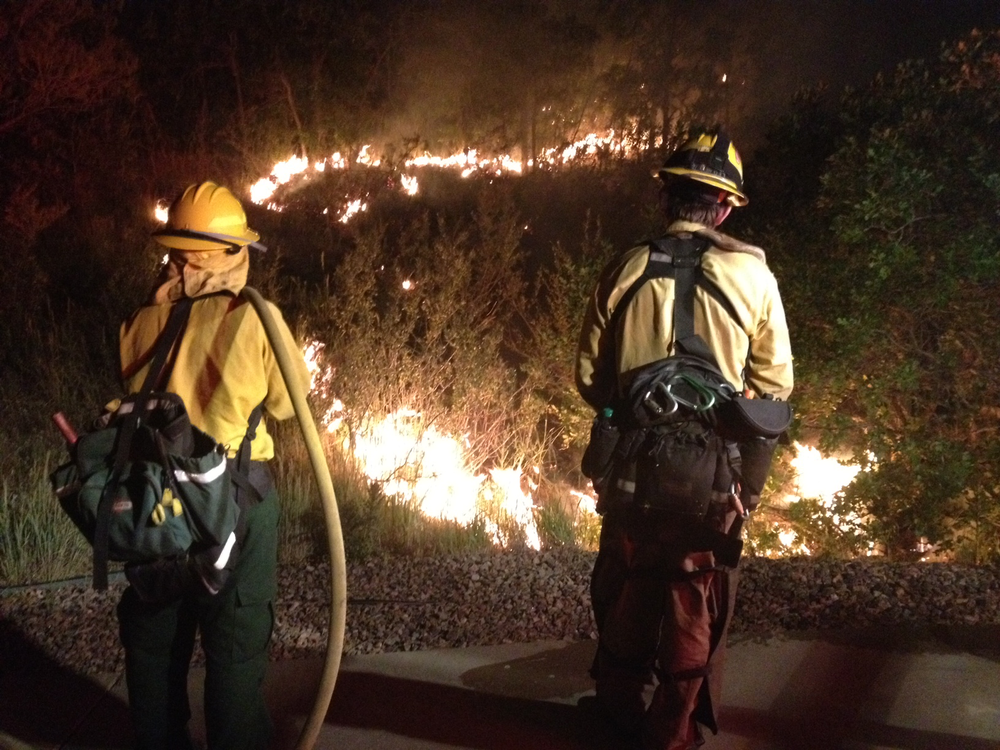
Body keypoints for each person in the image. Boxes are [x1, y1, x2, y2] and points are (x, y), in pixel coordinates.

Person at [575, 129, 793, 749]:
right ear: (724, 208)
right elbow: (775, 388)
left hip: (631, 464)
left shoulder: (625, 267)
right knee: (693, 593)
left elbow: (589, 377)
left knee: (627, 579)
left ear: (666, 198)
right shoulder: (754, 276)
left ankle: (617, 708)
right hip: (712, 472)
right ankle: (671, 732)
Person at [116, 181, 311, 750]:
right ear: (229, 252)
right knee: (234, 646)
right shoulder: (255, 318)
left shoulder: (140, 322)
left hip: (157, 504)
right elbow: (289, 403)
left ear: (177, 251)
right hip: (236, 501)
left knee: (155, 645)